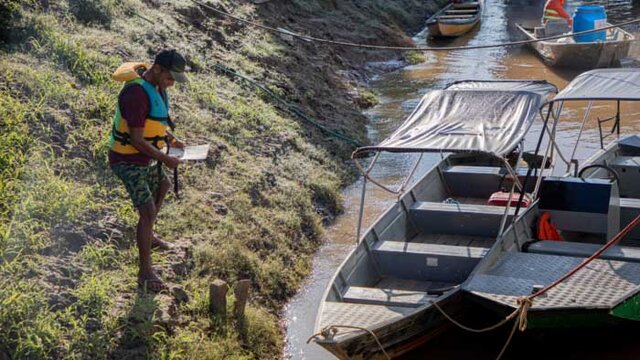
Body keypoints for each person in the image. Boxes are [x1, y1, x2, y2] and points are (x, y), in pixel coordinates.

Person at [109, 49, 188, 291]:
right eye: (169, 77)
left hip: (145, 158)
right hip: (126, 159)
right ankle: (145, 272)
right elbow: (135, 139)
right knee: (146, 209)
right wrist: (165, 158)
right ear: (157, 69)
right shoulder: (135, 93)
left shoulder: (158, 89)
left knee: (163, 185)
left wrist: (171, 139)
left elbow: (154, 122)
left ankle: (149, 236)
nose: (172, 83)